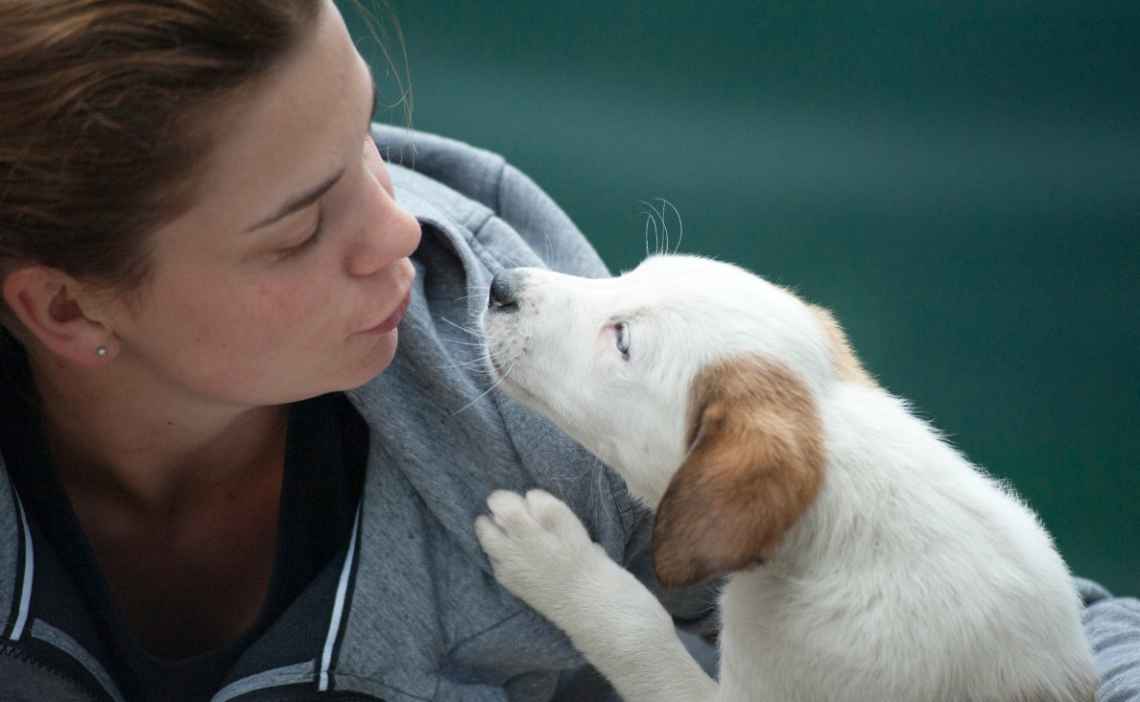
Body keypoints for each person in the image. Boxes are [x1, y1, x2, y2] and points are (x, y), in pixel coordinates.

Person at [0, 1, 1134, 701]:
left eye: (365, 137)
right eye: (302, 224)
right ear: (64, 310)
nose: (403, 229)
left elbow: (1029, 639)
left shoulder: (533, 413)